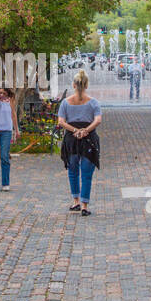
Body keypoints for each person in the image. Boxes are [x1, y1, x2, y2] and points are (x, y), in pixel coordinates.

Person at [57, 69, 102, 216]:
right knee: (87, 174)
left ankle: (75, 201)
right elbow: (98, 120)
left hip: (71, 139)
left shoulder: (66, 102)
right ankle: (84, 205)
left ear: (73, 85)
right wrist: (86, 130)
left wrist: (74, 130)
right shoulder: (93, 102)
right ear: (86, 85)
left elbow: (61, 121)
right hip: (89, 140)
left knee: (73, 171)